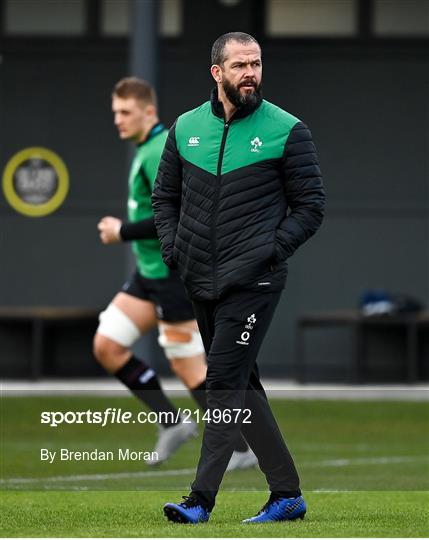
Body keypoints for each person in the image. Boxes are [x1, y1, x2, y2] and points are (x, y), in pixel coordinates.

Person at [152, 32, 325, 523]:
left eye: (256, 63)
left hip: (256, 281)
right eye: (240, 65)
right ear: (217, 72)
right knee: (244, 388)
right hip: (200, 279)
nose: (250, 73)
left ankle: (199, 500)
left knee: (223, 384)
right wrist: (173, 248)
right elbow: (164, 198)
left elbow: (311, 207)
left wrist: (268, 251)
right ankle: (287, 495)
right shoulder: (185, 128)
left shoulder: (288, 130)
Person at [94, 77, 256, 469]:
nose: (118, 119)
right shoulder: (144, 148)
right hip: (148, 276)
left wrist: (122, 231)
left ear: (149, 112)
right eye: (115, 112)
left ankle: (240, 446)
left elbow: (177, 217)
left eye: (126, 112)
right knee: (107, 346)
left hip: (173, 276)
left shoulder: (155, 150)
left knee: (189, 367)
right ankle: (171, 423)